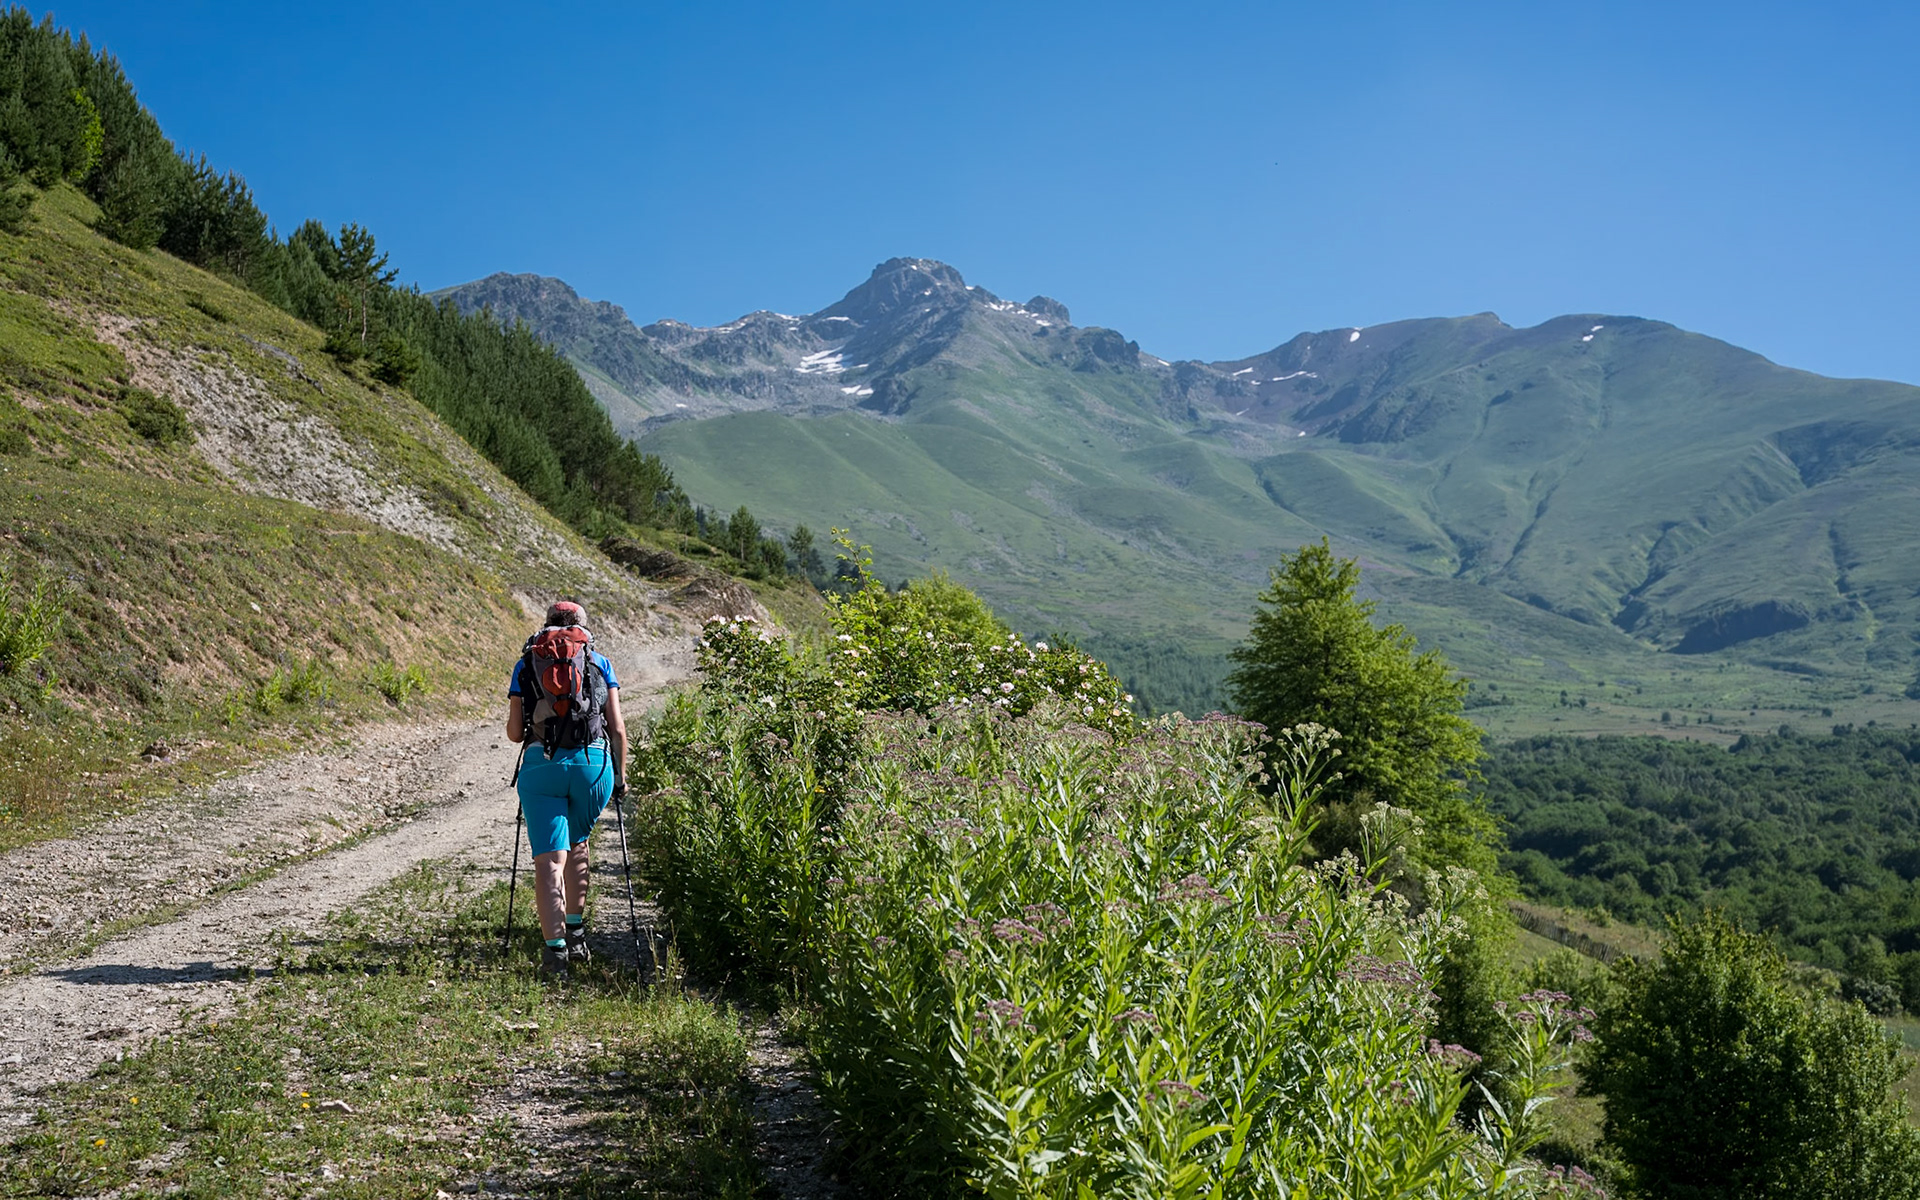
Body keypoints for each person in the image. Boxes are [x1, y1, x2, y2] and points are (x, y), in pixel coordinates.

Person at [506, 600, 627, 977]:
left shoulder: (527, 663)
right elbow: (617, 728)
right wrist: (621, 778)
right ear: (581, 627)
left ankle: (554, 954)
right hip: (593, 766)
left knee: (549, 861)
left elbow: (513, 733)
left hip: (542, 767)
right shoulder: (598, 662)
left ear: (547, 625)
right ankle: (576, 933)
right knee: (578, 844)